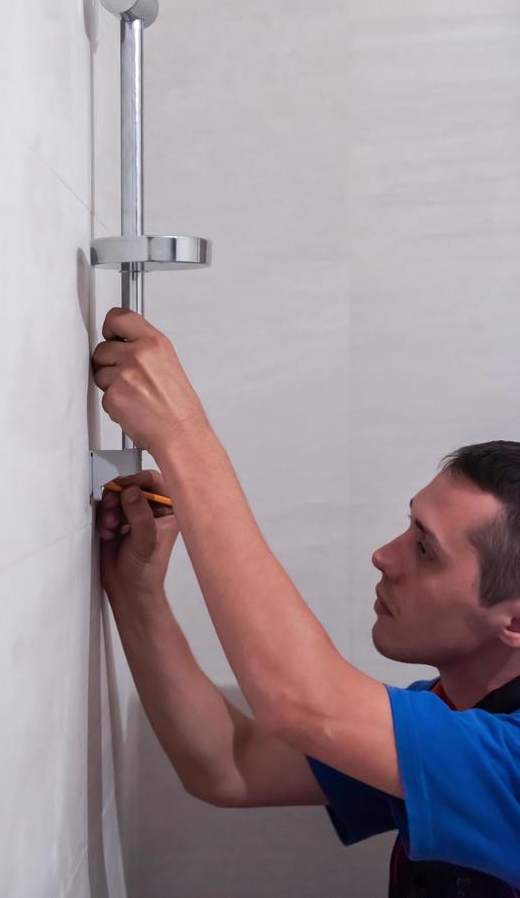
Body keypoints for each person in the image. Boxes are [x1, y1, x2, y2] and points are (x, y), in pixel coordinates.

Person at [92, 307, 520, 897]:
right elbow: (229, 763)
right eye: (407, 528)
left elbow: (300, 700)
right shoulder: (456, 718)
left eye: (425, 551)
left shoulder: (510, 763)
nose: (383, 556)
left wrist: (181, 430)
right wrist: (137, 594)